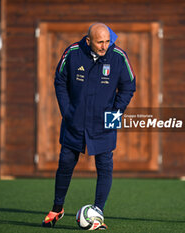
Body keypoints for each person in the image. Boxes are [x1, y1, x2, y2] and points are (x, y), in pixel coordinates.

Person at [41, 23, 136, 229]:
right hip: (74, 122)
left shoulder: (119, 56)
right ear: (88, 41)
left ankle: (97, 213)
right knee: (65, 163)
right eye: (100, 42)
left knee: (105, 166)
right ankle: (57, 209)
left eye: (107, 41)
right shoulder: (73, 53)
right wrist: (67, 111)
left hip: (104, 123)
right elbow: (60, 80)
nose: (104, 46)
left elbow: (129, 86)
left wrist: (116, 112)